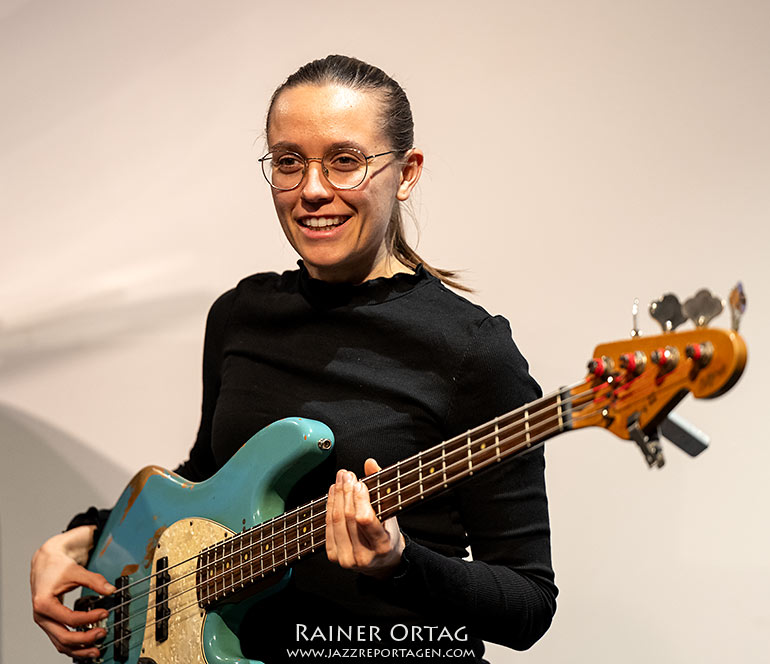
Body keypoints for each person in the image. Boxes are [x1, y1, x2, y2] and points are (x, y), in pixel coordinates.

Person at [30, 55, 557, 663]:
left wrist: (398, 562)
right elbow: (203, 481)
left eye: (345, 161)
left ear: (406, 173)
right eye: (288, 162)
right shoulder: (241, 313)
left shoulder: (471, 349)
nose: (311, 189)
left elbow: (528, 604)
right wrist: (78, 542)